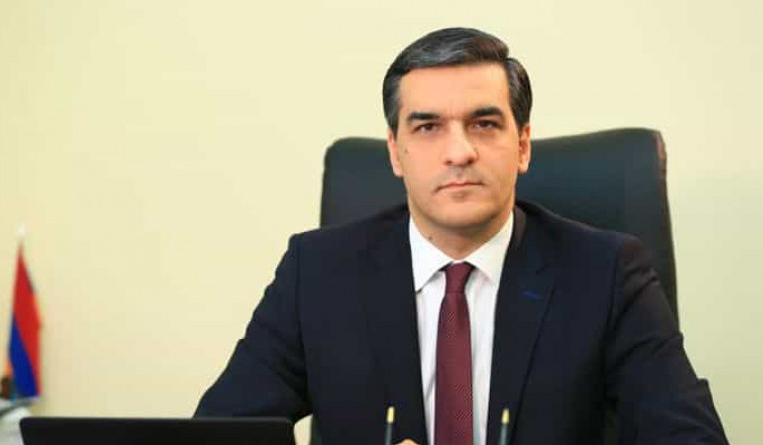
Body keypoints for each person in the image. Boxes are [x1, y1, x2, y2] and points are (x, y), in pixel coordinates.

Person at [195, 27, 727, 445]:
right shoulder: (316, 273)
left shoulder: (607, 274)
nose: (459, 152)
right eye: (428, 127)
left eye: (484, 124)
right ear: (395, 152)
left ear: (522, 145)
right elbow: (218, 437)